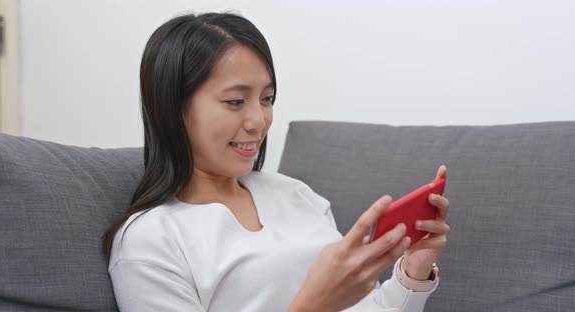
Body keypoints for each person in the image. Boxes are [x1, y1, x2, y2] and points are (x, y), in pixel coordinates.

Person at [102, 12, 450, 312]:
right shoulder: (150, 241)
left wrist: (412, 273)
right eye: (236, 101)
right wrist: (312, 304)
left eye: (266, 98)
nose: (259, 121)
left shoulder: (295, 195)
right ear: (173, 110)